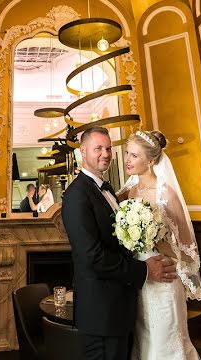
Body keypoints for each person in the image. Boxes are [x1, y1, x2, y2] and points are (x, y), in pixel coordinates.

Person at [61, 126, 177, 360]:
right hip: (101, 312)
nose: (105, 154)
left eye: (109, 148)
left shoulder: (109, 190)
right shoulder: (76, 194)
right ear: (83, 151)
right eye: (98, 148)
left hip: (120, 306)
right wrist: (144, 269)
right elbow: (92, 256)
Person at [119, 129, 201, 360]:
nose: (127, 159)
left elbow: (188, 248)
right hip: (140, 280)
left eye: (135, 155)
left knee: (163, 343)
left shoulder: (165, 194)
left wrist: (160, 244)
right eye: (127, 153)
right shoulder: (128, 192)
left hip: (164, 279)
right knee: (145, 342)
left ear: (152, 160)